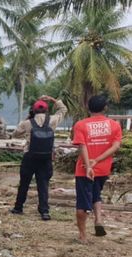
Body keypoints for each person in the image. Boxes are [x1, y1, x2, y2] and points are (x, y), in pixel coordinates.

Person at [73, 95, 123, 242]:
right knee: (96, 194)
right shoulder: (114, 125)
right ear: (105, 108)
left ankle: (83, 236)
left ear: (88, 108)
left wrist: (89, 165)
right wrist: (98, 160)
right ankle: (98, 220)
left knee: (82, 202)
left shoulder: (81, 125)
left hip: (84, 170)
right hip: (103, 169)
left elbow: (82, 146)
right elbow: (115, 146)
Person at [10, 95, 68, 220]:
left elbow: (15, 134)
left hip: (29, 157)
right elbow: (63, 109)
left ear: (33, 110)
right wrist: (52, 99)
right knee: (43, 185)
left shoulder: (27, 123)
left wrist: (28, 118)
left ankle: (18, 207)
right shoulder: (52, 120)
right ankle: (44, 211)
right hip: (46, 157)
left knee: (24, 183)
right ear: (46, 110)